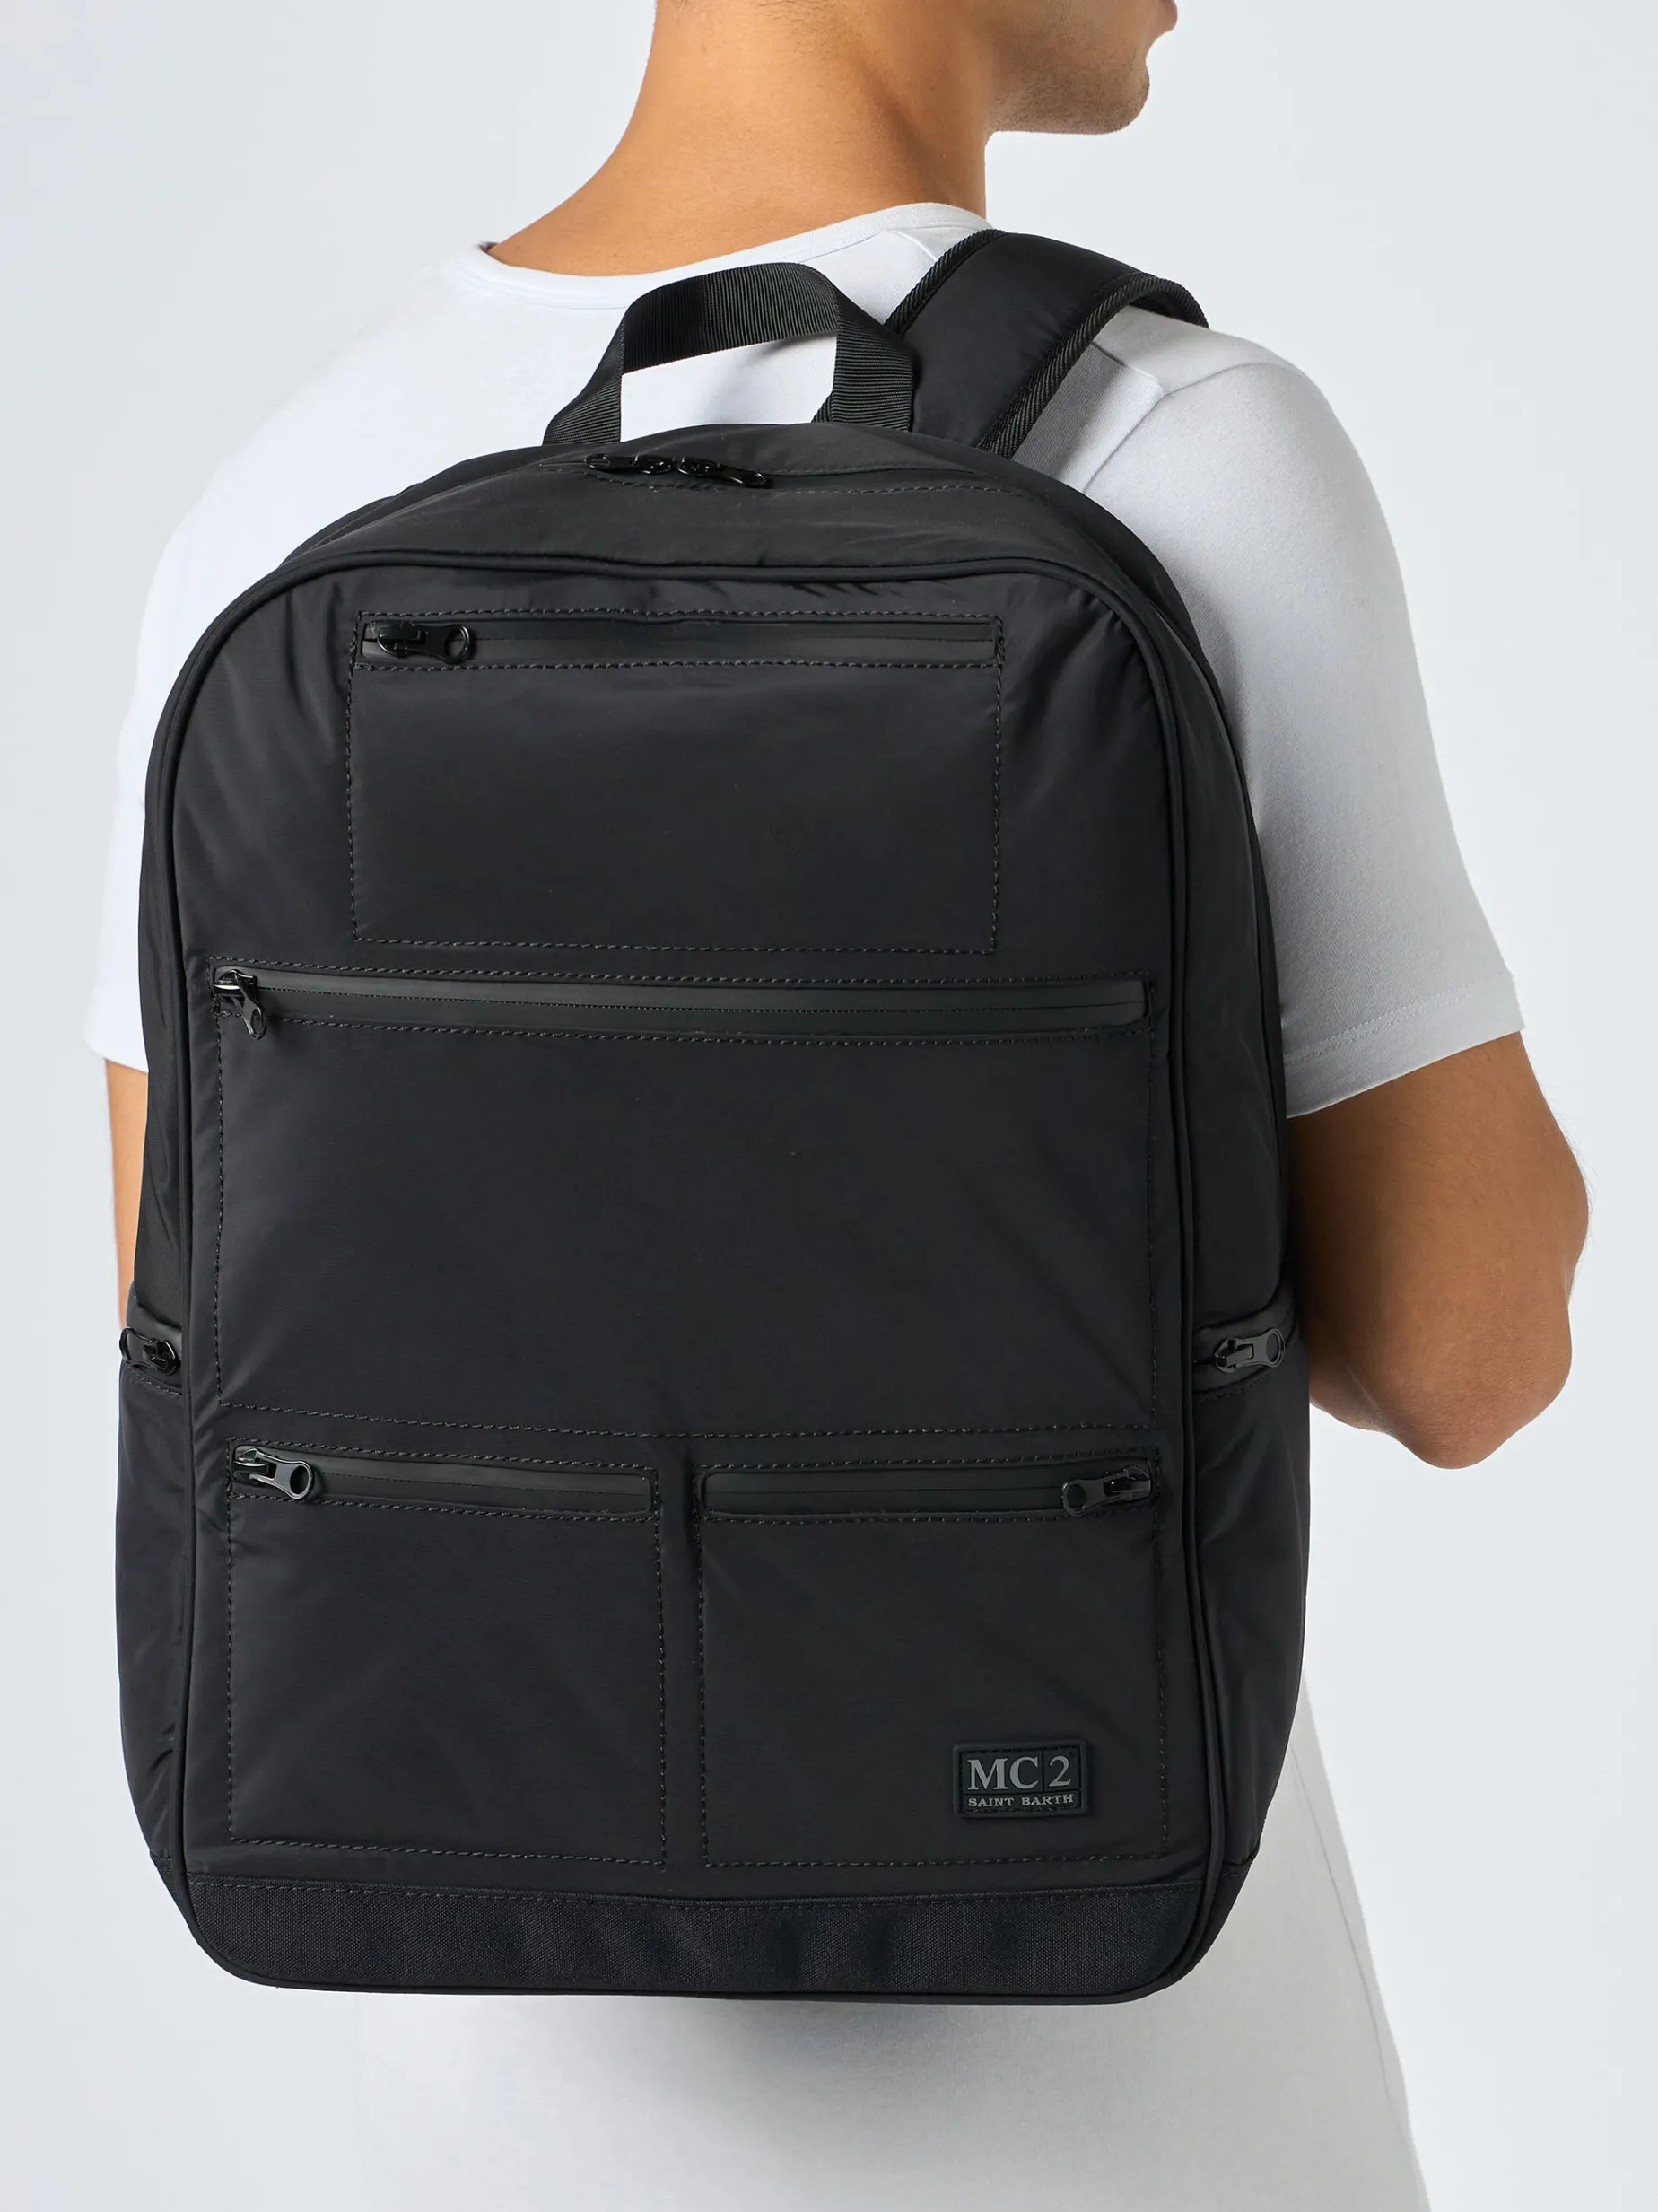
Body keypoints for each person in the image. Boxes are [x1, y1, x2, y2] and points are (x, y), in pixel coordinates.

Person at [91, 3, 1588, 2206]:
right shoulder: (1187, 446)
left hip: (488, 2083)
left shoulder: (284, 502)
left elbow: (201, 1314)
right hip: (1122, 2086)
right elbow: (1466, 1346)